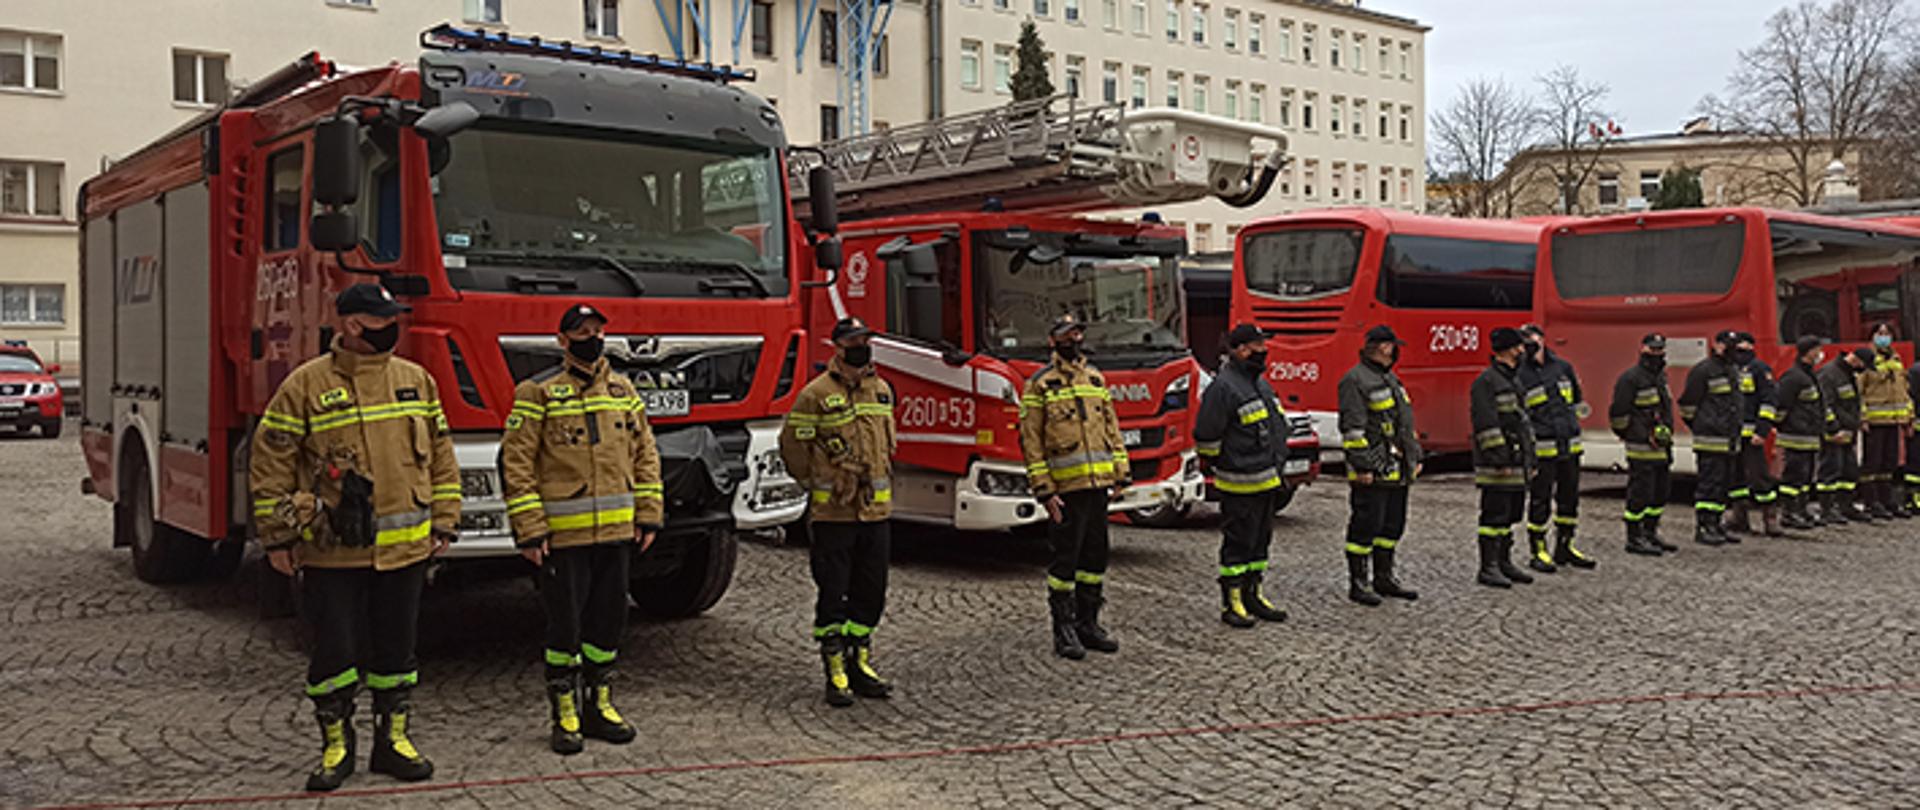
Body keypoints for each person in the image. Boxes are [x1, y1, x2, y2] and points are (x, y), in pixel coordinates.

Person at [250, 284, 460, 791]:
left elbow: (442, 455)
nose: (391, 327)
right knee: (334, 654)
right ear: (349, 324)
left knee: (397, 654)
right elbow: (270, 464)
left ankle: (394, 742)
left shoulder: (416, 381)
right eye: (379, 319)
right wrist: (279, 539)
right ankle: (337, 747)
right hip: (332, 554)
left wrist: (445, 521)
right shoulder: (305, 385)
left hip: (405, 549)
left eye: (393, 318)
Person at [499, 304, 663, 754]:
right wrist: (530, 530)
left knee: (609, 625)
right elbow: (516, 463)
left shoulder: (624, 390)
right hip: (563, 540)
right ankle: (565, 711)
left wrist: (648, 513)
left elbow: (645, 454)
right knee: (564, 629)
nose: (591, 338)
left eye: (597, 330)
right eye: (581, 332)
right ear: (562, 340)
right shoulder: (538, 393)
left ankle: (600, 704)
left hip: (615, 535)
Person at [779, 317, 898, 707]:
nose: (862, 346)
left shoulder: (881, 390)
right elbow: (793, 446)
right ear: (838, 347)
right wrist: (816, 485)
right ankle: (835, 669)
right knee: (833, 592)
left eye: (866, 340)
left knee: (871, 593)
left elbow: (887, 450)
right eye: (854, 341)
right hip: (834, 516)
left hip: (875, 513)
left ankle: (860, 661)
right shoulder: (815, 395)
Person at [1019, 313, 1131, 659]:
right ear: (1053, 341)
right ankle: (1064, 629)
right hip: (1065, 493)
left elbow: (1111, 429)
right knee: (1064, 564)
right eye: (1067, 335)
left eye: (1078, 333)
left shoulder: (1096, 379)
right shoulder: (1039, 385)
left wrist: (1121, 472)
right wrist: (1044, 491)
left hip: (1097, 487)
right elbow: (1031, 441)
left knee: (1095, 559)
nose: (1075, 340)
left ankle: (1089, 624)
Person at [1194, 324, 1293, 626]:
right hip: (1238, 484)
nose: (1262, 351)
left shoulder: (1260, 384)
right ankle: (1232, 601)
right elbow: (1207, 436)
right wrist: (1222, 464)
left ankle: (1253, 593)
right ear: (1238, 350)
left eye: (1263, 345)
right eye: (1255, 346)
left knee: (1260, 544)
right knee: (1238, 543)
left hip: (1267, 480)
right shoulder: (1223, 388)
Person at [1335, 325, 1422, 605]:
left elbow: (1405, 425)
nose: (1395, 351)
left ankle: (1384, 577)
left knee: (1392, 525)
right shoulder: (1355, 381)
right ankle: (1358, 582)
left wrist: (1414, 457)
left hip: (1397, 468)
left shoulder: (1390, 379)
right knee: (1365, 525)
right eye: (1393, 346)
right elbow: (1353, 431)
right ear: (1383, 348)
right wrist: (1363, 468)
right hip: (1372, 470)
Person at [1517, 323, 1595, 573]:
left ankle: (1565, 546)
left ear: (1542, 339)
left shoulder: (1562, 368)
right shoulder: (1519, 373)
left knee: (1569, 499)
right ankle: (1538, 550)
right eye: (1524, 340)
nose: (1530, 343)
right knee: (1540, 500)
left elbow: (1576, 400)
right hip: (1542, 449)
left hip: (1569, 446)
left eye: (1532, 338)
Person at [1469, 327, 1536, 588]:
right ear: (1508, 349)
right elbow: (1486, 423)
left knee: (1510, 514)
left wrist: (1530, 460)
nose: (1522, 351)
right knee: (1494, 515)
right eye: (1518, 346)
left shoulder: (1513, 380)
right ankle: (1488, 567)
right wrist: (1499, 459)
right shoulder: (1487, 382)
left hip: (1516, 460)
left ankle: (1504, 562)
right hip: (1498, 464)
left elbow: (1522, 423)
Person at [1608, 333, 1677, 556]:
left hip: (1662, 447)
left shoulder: (1660, 378)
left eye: (1660, 350)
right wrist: (1634, 434)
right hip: (1641, 448)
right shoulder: (1630, 378)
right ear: (1643, 349)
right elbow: (1619, 414)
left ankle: (1650, 532)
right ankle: (1634, 537)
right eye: (1653, 349)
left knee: (1660, 493)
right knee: (1641, 493)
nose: (1657, 354)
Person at [1679, 331, 1745, 547]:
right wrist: (1702, 426)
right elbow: (1687, 405)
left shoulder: (1732, 370)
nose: (1731, 349)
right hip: (1710, 440)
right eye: (1727, 345)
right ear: (1715, 345)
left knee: (1722, 486)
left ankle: (1716, 524)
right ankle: (1703, 527)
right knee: (1709, 486)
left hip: (1729, 440)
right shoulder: (1703, 371)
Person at [1725, 332, 1783, 537]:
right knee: (1735, 477)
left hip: (1752, 435)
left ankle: (1770, 519)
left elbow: (1769, 402)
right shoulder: (1728, 368)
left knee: (1760, 477)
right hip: (1732, 435)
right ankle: (1739, 517)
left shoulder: (1760, 369)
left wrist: (1762, 430)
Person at [1774, 336, 1830, 531]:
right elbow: (1780, 406)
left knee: (1805, 479)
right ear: (1809, 351)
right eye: (1817, 349)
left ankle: (1802, 509)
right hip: (1795, 436)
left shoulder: (1808, 376)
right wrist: (1785, 426)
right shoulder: (1793, 377)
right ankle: (1788, 513)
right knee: (1793, 478)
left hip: (1809, 437)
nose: (1820, 354)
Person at [1858, 322, 1913, 520]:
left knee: (1889, 463)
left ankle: (1887, 501)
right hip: (1873, 422)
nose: (1883, 336)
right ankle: (1871, 502)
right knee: (1872, 463)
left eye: (1887, 333)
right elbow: (1859, 393)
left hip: (1894, 421)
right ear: (1872, 336)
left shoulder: (1896, 360)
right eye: (1879, 333)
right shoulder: (1867, 360)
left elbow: (1903, 391)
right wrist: (1862, 418)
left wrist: (1908, 418)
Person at [1816, 348, 1870, 524]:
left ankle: (1845, 505)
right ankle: (1827, 509)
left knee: (1849, 470)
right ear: (1856, 360)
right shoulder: (1829, 374)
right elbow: (1826, 405)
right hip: (1835, 432)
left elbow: (1850, 403)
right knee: (1830, 471)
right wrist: (1833, 429)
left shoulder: (1847, 374)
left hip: (1848, 430)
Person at [1906, 359, 1920, 514]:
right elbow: (1912, 397)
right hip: (1917, 426)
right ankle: (1913, 498)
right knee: (1916, 465)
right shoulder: (1916, 371)